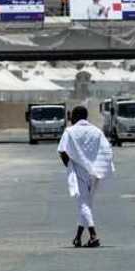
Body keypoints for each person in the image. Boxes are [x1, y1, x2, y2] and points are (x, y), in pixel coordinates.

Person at [58, 106, 114, 248]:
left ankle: (93, 235)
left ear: (75, 116)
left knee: (83, 204)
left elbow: (62, 151)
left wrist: (70, 165)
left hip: (79, 171)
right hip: (95, 172)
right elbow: (107, 150)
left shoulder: (70, 132)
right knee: (86, 204)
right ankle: (77, 237)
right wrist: (102, 167)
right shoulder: (96, 131)